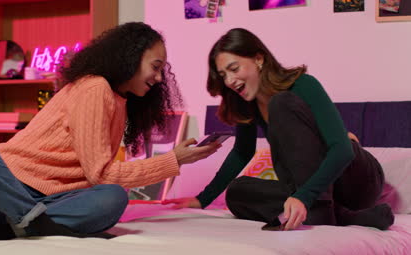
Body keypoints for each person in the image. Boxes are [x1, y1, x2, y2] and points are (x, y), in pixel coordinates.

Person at [0, 22, 220, 241]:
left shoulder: (120, 102)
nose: (160, 77)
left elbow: (99, 178)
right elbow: (101, 173)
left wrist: (175, 159)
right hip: (1, 192)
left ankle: (19, 227)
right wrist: (174, 159)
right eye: (156, 66)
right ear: (131, 58)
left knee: (113, 197)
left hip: (49, 200)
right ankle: (31, 222)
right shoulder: (95, 88)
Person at [163, 28, 394, 231]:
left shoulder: (302, 85)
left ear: (259, 59)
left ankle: (320, 211)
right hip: (315, 193)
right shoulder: (247, 104)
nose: (230, 81)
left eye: (234, 69)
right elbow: (241, 153)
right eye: (224, 75)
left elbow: (343, 150)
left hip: (356, 180)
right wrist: (202, 200)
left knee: (280, 103)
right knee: (237, 192)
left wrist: (303, 197)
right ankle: (342, 216)